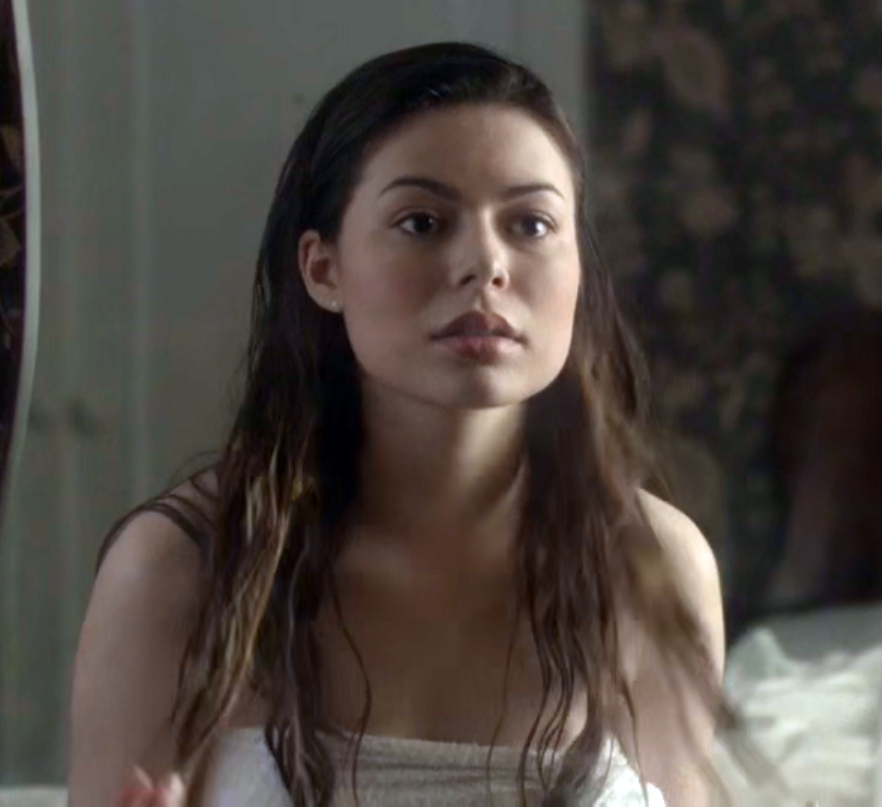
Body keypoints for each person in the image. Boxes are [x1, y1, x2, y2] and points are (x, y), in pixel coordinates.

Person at [66, 42, 725, 806]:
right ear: (323, 269)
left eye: (531, 224)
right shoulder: (180, 571)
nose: (484, 264)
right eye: (422, 222)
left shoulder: (651, 566)